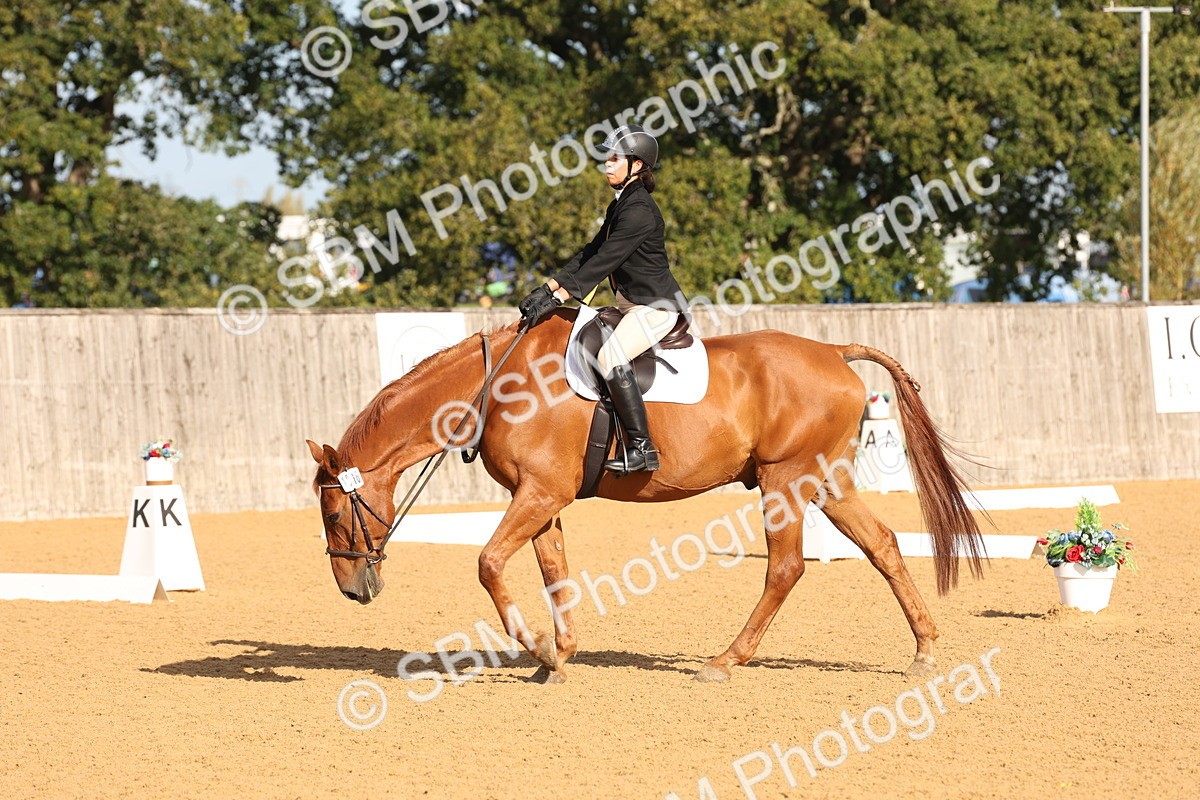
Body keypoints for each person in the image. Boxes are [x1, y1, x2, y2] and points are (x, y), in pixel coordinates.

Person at [519, 124, 687, 474]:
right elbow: (590, 252)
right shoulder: (622, 204)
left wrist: (563, 294)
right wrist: (549, 287)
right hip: (632, 305)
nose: (607, 164)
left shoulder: (640, 210)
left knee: (611, 357)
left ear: (637, 165)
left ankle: (643, 448)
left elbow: (607, 260)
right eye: (607, 158)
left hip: (656, 308)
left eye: (615, 158)